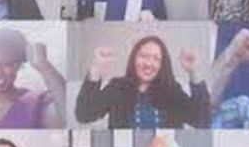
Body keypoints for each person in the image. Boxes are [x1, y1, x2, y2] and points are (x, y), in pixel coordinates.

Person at [73, 35, 211, 129]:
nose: (149, 63)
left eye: (156, 59)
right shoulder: (117, 87)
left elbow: (203, 121)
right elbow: (84, 115)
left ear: (162, 65)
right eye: (143, 56)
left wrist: (194, 71)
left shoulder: (172, 90)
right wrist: (97, 67)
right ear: (134, 59)